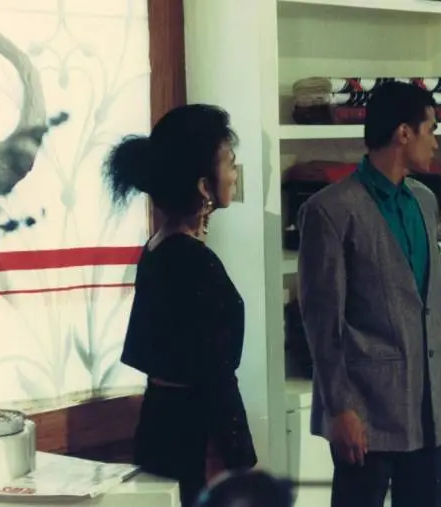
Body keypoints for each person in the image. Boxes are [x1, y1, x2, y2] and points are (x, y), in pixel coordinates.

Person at [296, 81, 441, 507]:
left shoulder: (423, 200)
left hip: (429, 402)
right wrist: (339, 409)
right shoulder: (330, 210)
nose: (435, 143)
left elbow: (432, 284)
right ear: (403, 133)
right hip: (366, 407)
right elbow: (322, 322)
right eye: (430, 130)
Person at [104, 104, 257, 507]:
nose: (235, 173)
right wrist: (240, 460)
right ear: (204, 186)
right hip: (196, 439)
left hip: (161, 425)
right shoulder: (194, 262)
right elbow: (216, 377)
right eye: (230, 163)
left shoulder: (157, 249)